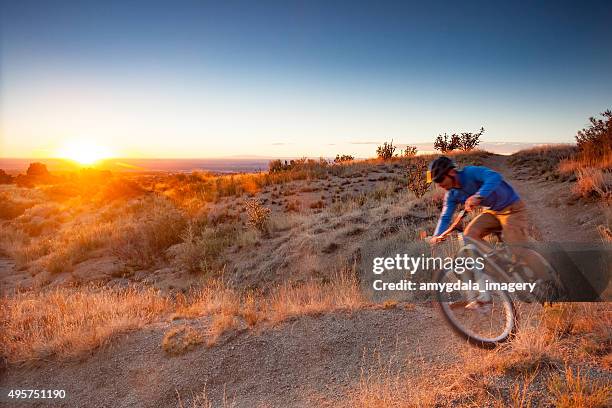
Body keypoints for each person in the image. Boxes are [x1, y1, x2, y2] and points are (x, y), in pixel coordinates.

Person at [427, 156, 530, 309]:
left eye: (440, 178)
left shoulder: (471, 172)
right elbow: (445, 215)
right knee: (469, 235)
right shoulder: (451, 194)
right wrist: (437, 236)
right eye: (436, 181)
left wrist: (478, 195)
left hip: (512, 209)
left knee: (517, 249)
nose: (440, 184)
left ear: (452, 172)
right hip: (493, 212)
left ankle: (542, 282)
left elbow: (495, 177)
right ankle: (498, 263)